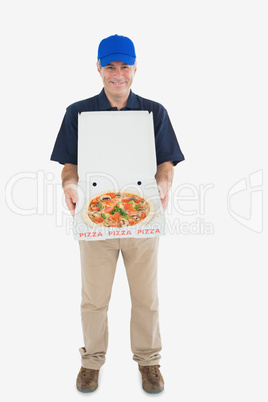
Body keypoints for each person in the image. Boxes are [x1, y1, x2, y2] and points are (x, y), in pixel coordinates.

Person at [51, 34, 184, 394]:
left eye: (125, 66)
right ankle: (91, 362)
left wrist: (164, 184)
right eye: (110, 66)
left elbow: (166, 163)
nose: (118, 74)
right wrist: (69, 186)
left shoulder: (154, 111)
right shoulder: (78, 112)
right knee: (94, 299)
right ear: (98, 68)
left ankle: (149, 363)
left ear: (135, 68)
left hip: (143, 218)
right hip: (95, 218)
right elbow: (69, 166)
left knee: (146, 298)